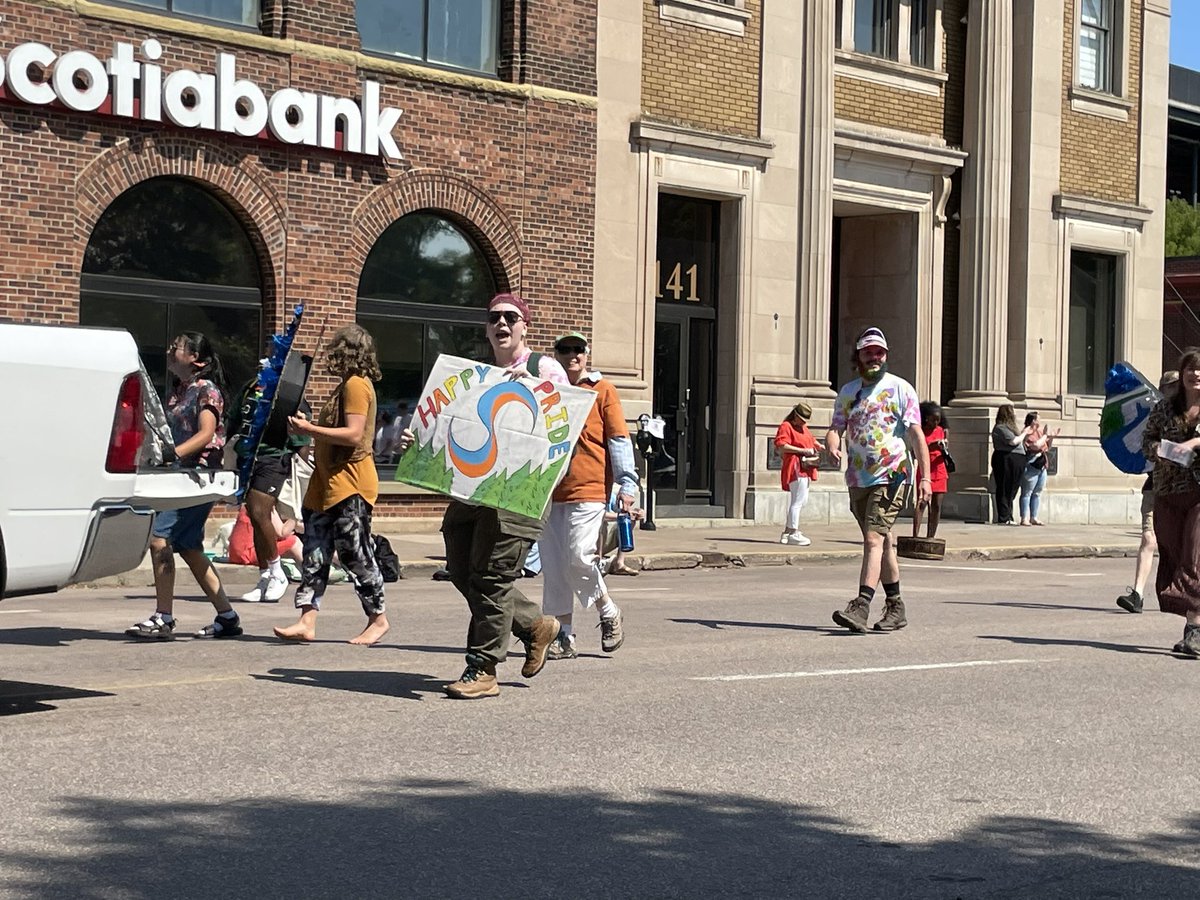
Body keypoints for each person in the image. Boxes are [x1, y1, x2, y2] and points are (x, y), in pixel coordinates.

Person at [398, 293, 563, 699]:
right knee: (458, 568)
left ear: (525, 326)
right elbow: (455, 429)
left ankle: (483, 668)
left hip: (518, 493)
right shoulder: (477, 375)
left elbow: (564, 424)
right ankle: (532, 624)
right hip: (473, 491)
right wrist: (419, 439)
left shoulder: (545, 369)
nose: (502, 324)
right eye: (494, 318)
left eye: (511, 317)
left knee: (492, 577)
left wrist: (533, 392)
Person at [273, 324, 390, 646]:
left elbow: (353, 434)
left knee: (354, 552)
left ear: (347, 352)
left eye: (335, 349)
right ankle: (306, 620)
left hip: (350, 483)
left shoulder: (356, 386)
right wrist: (309, 427)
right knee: (315, 553)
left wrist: (308, 428)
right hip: (326, 484)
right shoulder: (345, 387)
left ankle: (377, 618)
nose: (330, 355)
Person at [126, 332, 241, 640]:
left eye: (176, 347)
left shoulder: (206, 390)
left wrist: (172, 453)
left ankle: (163, 617)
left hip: (196, 478)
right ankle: (227, 616)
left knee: (160, 538)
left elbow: (206, 434)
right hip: (181, 477)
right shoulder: (181, 391)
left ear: (196, 360)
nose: (168, 350)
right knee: (189, 547)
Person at [540, 331, 639, 661]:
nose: (572, 355)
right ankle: (563, 636)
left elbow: (619, 439)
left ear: (587, 353)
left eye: (577, 349)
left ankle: (609, 611)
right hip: (549, 491)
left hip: (589, 488)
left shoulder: (602, 389)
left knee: (579, 557)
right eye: (564, 349)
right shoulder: (545, 390)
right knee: (555, 567)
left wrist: (627, 484)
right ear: (555, 354)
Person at [826, 327, 931, 633]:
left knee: (873, 539)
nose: (875, 357)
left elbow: (916, 435)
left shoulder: (901, 389)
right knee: (883, 542)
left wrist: (924, 478)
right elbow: (836, 427)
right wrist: (831, 442)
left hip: (893, 474)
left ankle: (860, 606)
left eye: (880, 352)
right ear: (858, 356)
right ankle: (896, 607)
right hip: (859, 478)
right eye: (868, 352)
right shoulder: (847, 392)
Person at [228, 365, 312, 603]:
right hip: (249, 458)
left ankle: (277, 572)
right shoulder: (250, 387)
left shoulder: (287, 392)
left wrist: (298, 468)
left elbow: (302, 438)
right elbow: (234, 418)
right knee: (256, 519)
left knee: (258, 509)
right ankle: (265, 576)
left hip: (275, 457)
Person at [1141, 349, 1200, 657]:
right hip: (1168, 490)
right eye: (1191, 368)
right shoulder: (1165, 409)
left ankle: (1194, 630)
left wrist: (1195, 443)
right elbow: (1146, 442)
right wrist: (1166, 450)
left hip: (1199, 495)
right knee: (1174, 557)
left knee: (1194, 558)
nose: (1197, 374)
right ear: (1183, 373)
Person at [1117, 370, 1179, 613]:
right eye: (1168, 385)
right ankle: (1137, 594)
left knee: (1183, 547)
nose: (1171, 389)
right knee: (1148, 538)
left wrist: (1178, 452)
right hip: (1155, 487)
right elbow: (1144, 447)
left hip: (1182, 491)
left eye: (1175, 385)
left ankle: (1186, 594)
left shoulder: (1190, 416)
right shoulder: (1154, 417)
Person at [774, 401, 822, 546]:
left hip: (805, 467)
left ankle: (788, 532)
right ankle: (793, 532)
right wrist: (802, 451)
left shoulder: (803, 428)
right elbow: (781, 444)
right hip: (796, 466)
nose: (803, 423)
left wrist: (818, 445)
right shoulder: (786, 426)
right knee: (798, 501)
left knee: (800, 500)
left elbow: (810, 439)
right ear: (795, 415)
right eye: (801, 419)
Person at [990, 404, 1030, 525]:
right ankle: (1004, 517)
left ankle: (1009, 515)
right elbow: (1013, 441)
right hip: (1005, 458)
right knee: (1004, 487)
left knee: (1012, 488)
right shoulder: (1000, 428)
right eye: (1012, 412)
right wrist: (1024, 433)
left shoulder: (1011, 428)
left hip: (1016, 459)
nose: (1014, 415)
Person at [1019, 411, 1059, 526]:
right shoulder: (1027, 432)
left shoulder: (1040, 432)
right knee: (1027, 492)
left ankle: (1034, 517)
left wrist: (1051, 437)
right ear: (1033, 421)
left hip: (1041, 465)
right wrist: (1046, 435)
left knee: (1037, 492)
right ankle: (1024, 518)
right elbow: (1035, 445)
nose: (1040, 421)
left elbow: (1046, 447)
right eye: (1038, 419)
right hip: (1031, 465)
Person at [917, 401, 948, 539]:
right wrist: (930, 446)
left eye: (938, 420)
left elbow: (947, 449)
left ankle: (931, 536)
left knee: (936, 505)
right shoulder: (920, 431)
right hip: (925, 468)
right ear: (926, 418)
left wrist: (943, 446)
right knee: (921, 503)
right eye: (933, 419)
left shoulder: (941, 431)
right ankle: (915, 535)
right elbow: (915, 450)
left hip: (939, 467)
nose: (936, 423)